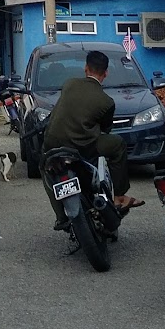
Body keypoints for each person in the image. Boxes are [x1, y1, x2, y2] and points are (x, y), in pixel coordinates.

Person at [39, 50, 143, 223]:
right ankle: (119, 196)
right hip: (82, 148)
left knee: (45, 168)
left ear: (85, 68)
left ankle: (59, 216)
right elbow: (106, 129)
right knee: (118, 145)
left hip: (53, 144)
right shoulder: (107, 101)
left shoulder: (69, 84)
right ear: (106, 73)